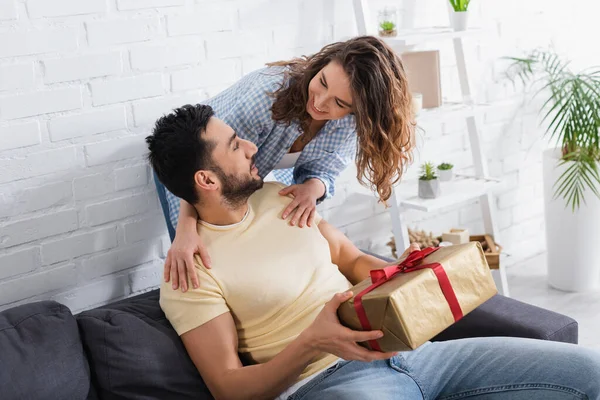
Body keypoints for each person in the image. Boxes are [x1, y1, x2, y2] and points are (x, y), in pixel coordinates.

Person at [147, 104, 600, 400]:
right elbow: (228, 388)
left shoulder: (277, 195)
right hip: (330, 382)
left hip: (412, 351)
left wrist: (408, 272)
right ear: (206, 181)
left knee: (590, 371)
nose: (251, 147)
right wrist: (313, 341)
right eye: (234, 145)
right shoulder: (188, 271)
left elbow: (349, 257)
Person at [162, 35, 415, 292]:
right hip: (190, 171)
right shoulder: (265, 98)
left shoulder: (349, 124)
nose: (319, 102)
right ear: (320, 65)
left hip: (254, 177)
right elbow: (202, 169)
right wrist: (185, 229)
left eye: (339, 103)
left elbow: (324, 169)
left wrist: (313, 188)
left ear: (358, 111)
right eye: (322, 83)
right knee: (207, 260)